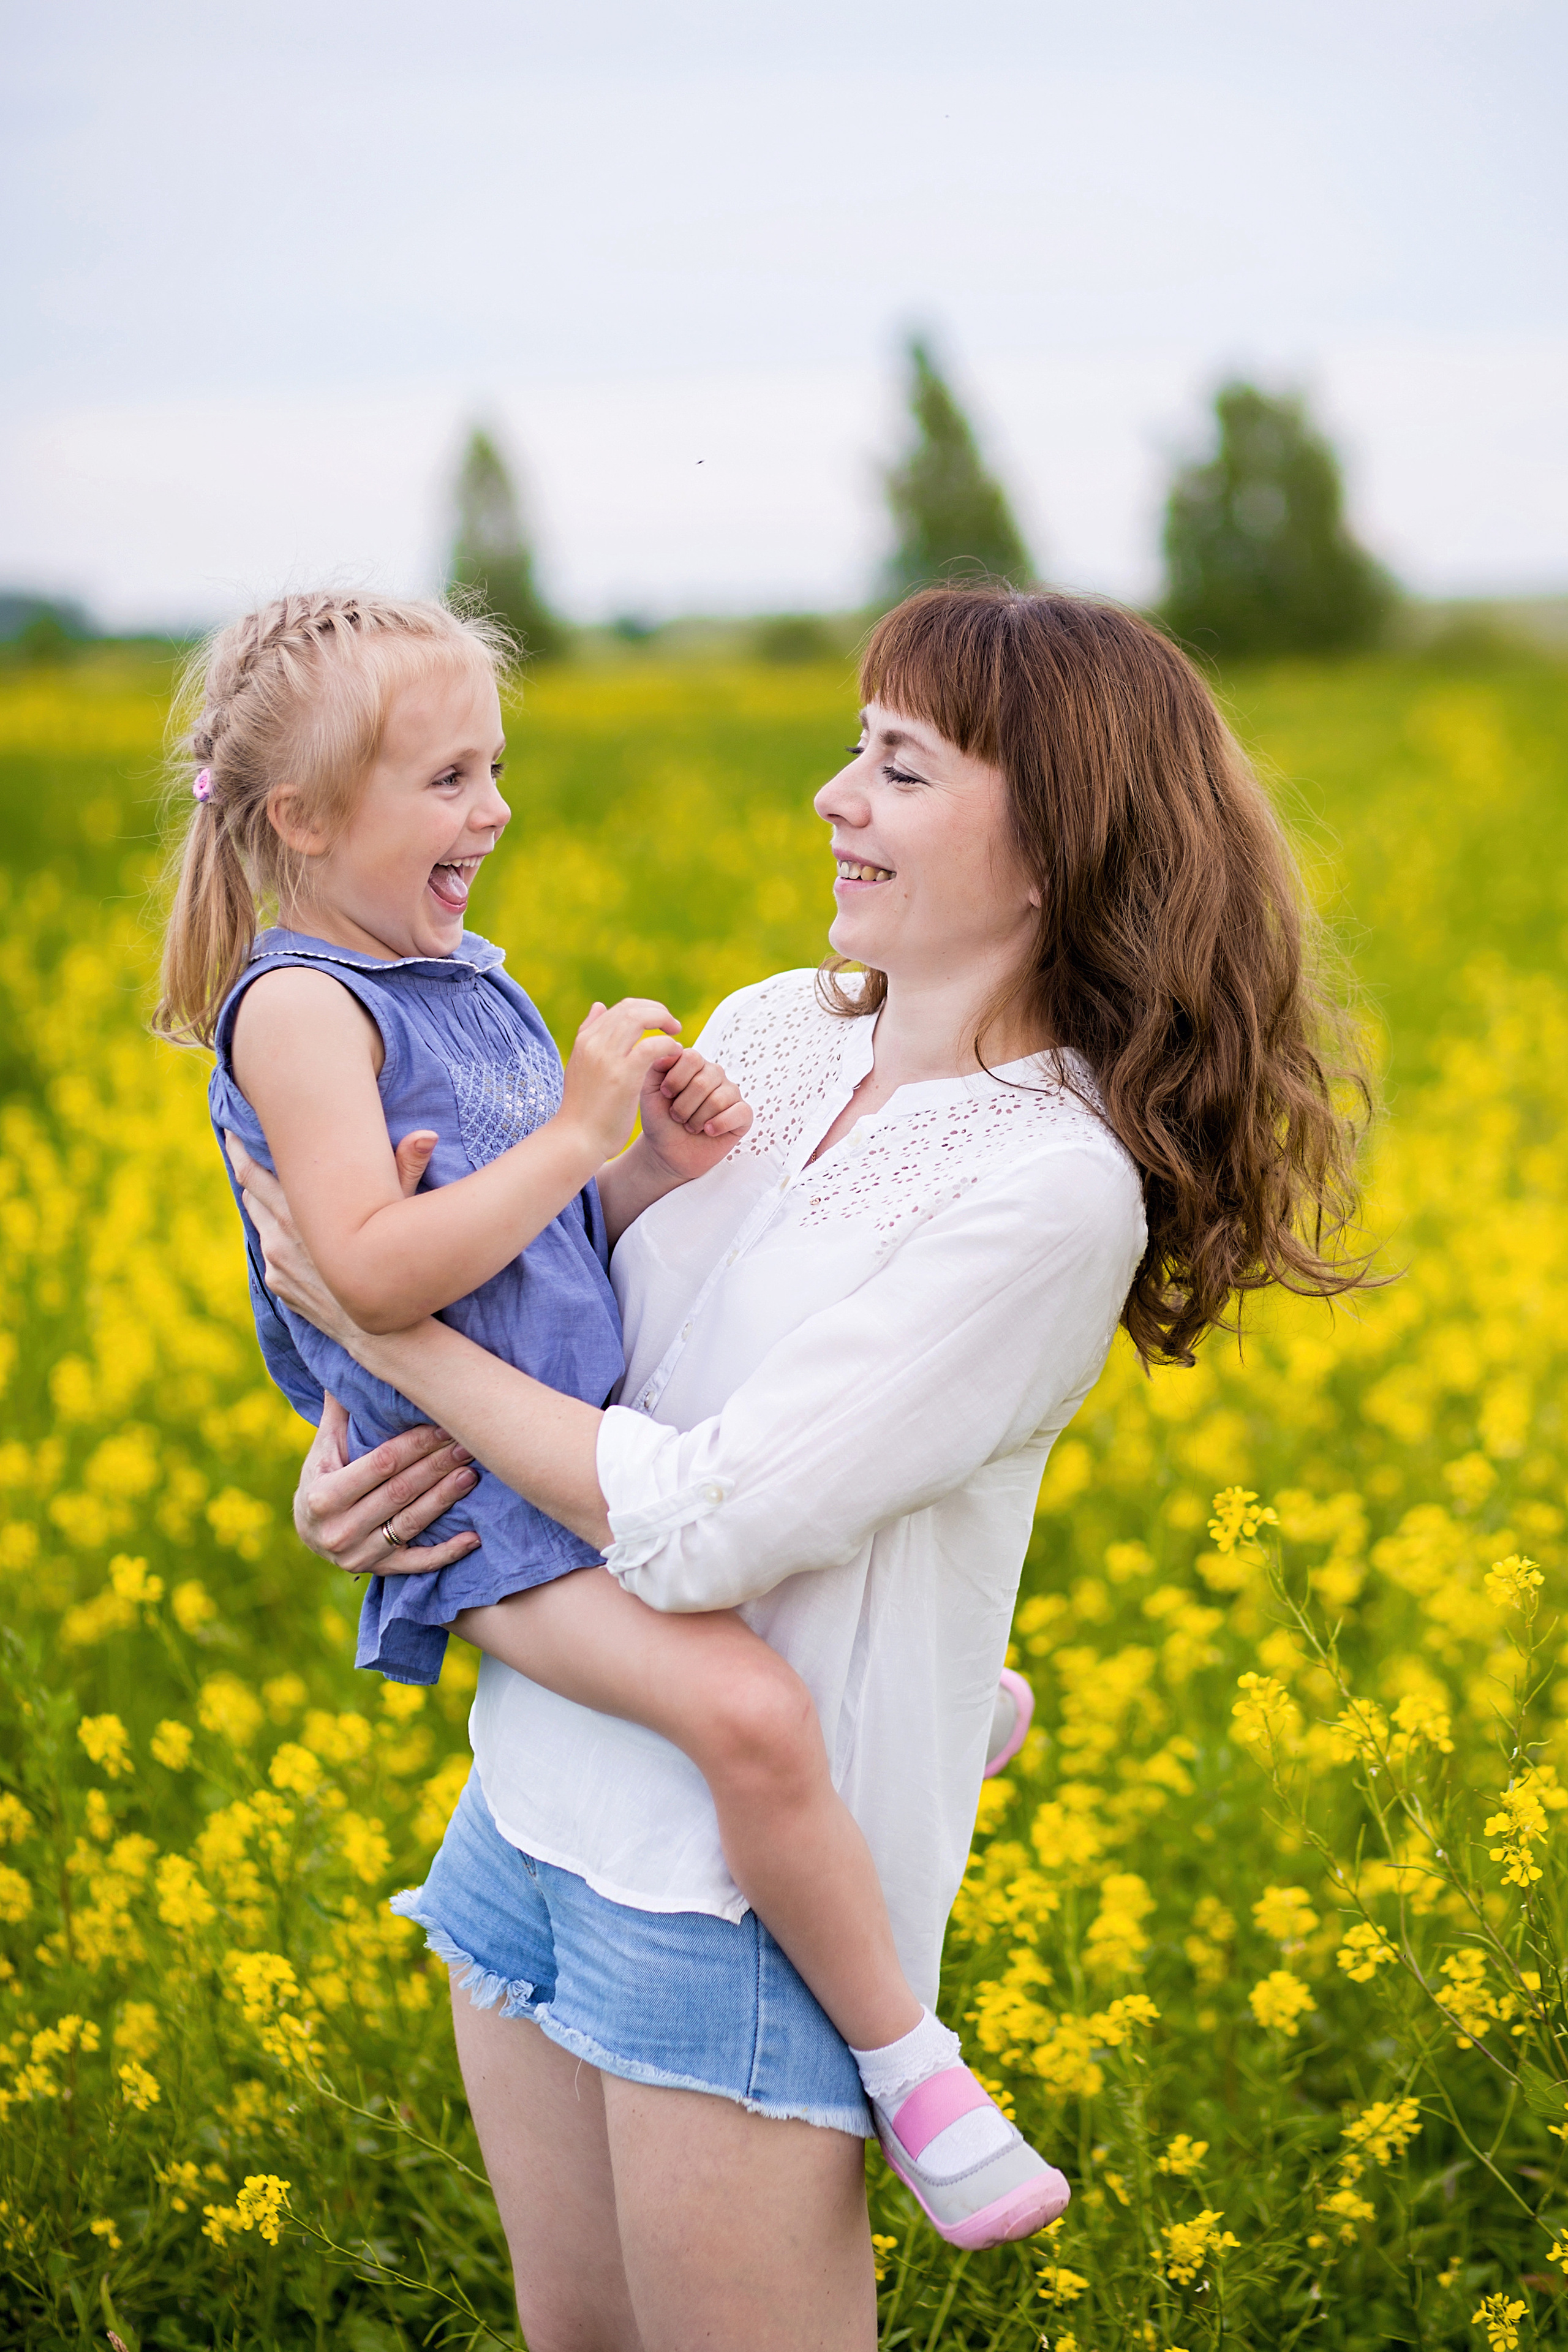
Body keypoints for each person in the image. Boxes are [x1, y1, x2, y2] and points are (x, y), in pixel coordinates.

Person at [240, 583, 1366, 2351]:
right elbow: (571, 1333)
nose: (835, 797)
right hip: (528, 1809)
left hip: (729, 1908)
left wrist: (380, 1341)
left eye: (900, 768)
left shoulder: (1047, 1187)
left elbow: (702, 1525)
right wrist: (354, 1479)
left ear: (1056, 847)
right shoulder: (772, 1025)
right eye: (856, 749)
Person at [156, 589, 1065, 2274]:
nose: (494, 811)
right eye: (449, 779)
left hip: (620, 1674)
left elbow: (535, 1277)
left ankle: (926, 1857)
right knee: (749, 1708)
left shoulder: (461, 979)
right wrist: (575, 1151)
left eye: (491, 770)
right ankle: (916, 2065)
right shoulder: (313, 1008)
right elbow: (371, 1278)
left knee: (756, 1712)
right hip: (509, 1558)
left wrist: (637, 1166)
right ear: (303, 819)